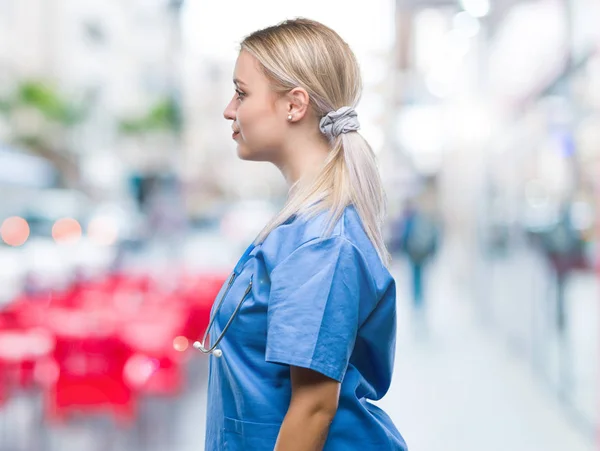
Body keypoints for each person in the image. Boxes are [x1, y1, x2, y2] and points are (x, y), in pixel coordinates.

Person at [199, 18, 407, 451]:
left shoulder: (321, 240)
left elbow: (314, 408)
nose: (228, 110)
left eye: (241, 93)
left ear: (295, 105)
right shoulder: (303, 226)